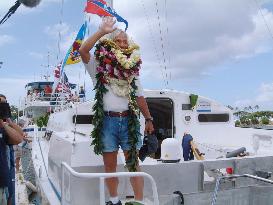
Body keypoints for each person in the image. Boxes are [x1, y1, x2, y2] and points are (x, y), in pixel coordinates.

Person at [79, 17, 154, 205]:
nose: (121, 44)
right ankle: (114, 201)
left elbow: (140, 97)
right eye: (117, 41)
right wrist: (102, 31)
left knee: (134, 166)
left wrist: (149, 119)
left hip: (129, 120)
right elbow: (82, 50)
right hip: (107, 122)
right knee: (110, 167)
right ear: (110, 43)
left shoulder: (132, 70)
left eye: (124, 41)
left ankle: (139, 201)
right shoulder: (99, 66)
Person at [0, 94, 23, 205]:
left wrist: (7, 120)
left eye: (4, 104)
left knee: (9, 196)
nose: (2, 106)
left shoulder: (3, 128)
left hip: (4, 180)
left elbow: (19, 137)